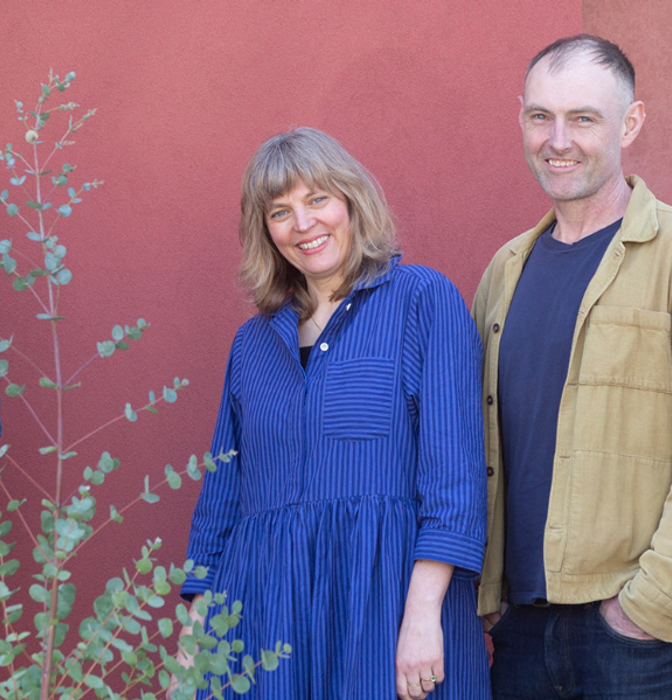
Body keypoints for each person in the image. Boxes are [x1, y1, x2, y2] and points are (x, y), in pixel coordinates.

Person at [474, 34, 672, 699]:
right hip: (521, 631)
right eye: (540, 116)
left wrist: (647, 605)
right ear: (520, 117)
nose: (557, 139)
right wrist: (490, 593)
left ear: (629, 123)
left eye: (583, 118)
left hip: (644, 635)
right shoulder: (504, 272)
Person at [175, 127, 490, 700]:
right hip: (263, 617)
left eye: (317, 199)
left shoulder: (423, 300)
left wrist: (423, 618)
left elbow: (455, 482)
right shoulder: (252, 344)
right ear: (264, 230)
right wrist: (195, 640)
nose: (303, 225)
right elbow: (221, 500)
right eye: (280, 211)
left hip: (385, 605)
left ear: (351, 201)